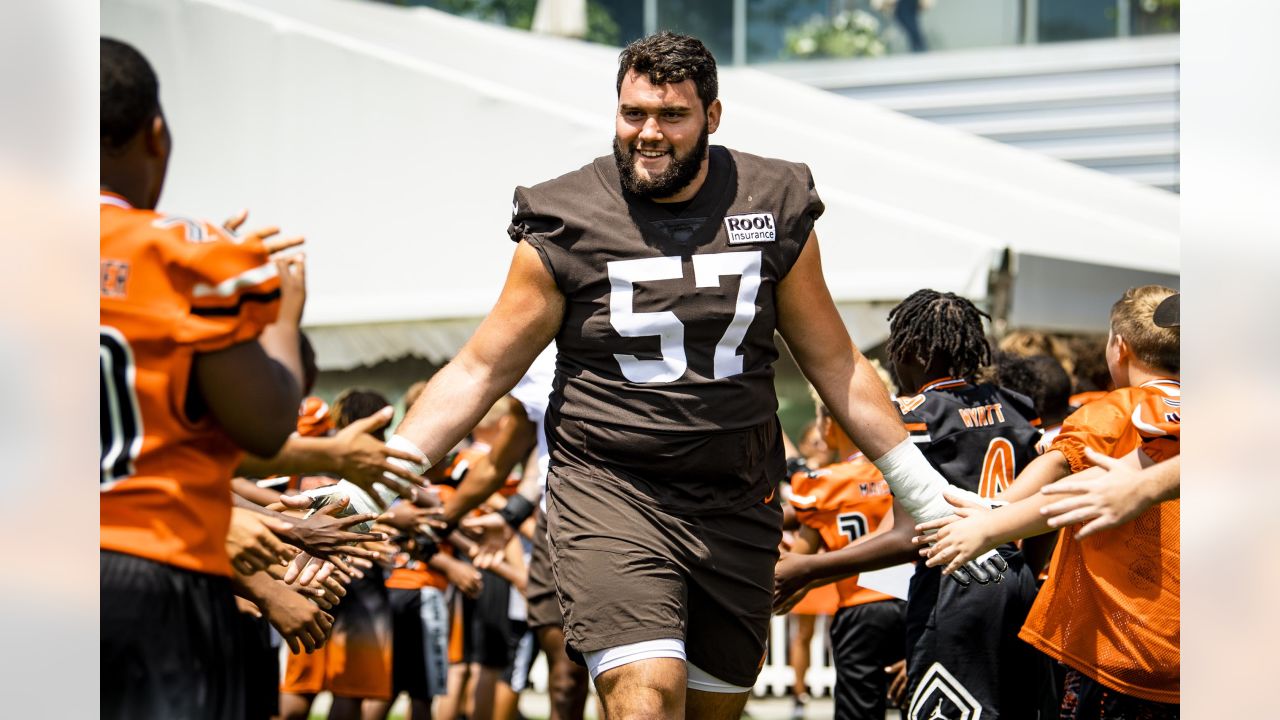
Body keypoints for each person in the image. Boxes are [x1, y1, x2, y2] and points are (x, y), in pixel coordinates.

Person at [389, 32, 990, 720]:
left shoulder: (773, 198)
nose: (647, 133)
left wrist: (918, 485)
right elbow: (479, 369)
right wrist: (384, 470)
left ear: (713, 115)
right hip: (613, 491)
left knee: (708, 711)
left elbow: (834, 361)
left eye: (671, 115)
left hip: (735, 501)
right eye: (632, 113)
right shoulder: (565, 217)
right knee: (647, 695)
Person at [100, 37, 306, 719]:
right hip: (153, 569)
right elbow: (267, 421)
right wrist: (277, 313)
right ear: (156, 135)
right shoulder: (189, 263)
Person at [774, 289, 1052, 720]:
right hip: (1016, 583)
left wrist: (807, 570)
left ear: (912, 352)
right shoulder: (1017, 407)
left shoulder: (916, 414)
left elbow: (910, 537)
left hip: (953, 587)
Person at [918, 284, 1180, 718]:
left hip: (1118, 651)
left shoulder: (1115, 408)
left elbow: (1060, 465)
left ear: (1120, 347)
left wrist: (994, 512)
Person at [787, 396, 906, 720]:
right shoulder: (899, 471)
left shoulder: (825, 483)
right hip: (913, 601)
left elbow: (801, 553)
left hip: (859, 607)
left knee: (858, 709)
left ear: (829, 423)